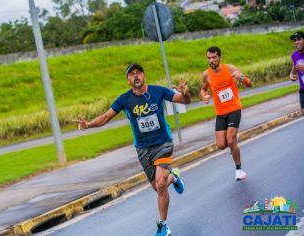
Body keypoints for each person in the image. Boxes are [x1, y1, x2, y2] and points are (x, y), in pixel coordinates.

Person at [75, 63, 191, 236]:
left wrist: (186, 93)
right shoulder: (124, 99)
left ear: (144, 76)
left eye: (139, 73)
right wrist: (89, 124)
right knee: (158, 187)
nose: (136, 76)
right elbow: (107, 117)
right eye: (132, 74)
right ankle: (173, 177)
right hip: (143, 148)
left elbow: (185, 101)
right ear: (128, 80)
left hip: (163, 143)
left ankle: (162, 225)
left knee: (160, 185)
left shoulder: (158, 91)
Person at [200, 46, 252, 181]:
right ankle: (233, 137)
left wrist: (242, 78)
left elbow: (249, 84)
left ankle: (239, 169)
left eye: (214, 57)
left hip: (234, 109)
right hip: (220, 113)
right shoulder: (206, 75)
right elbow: (203, 89)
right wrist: (204, 96)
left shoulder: (229, 68)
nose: (211, 60)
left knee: (230, 140)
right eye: (209, 58)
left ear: (219, 58)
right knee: (221, 145)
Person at [289, 31, 304, 115]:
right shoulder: (294, 55)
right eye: (295, 40)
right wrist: (292, 75)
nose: (296, 42)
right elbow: (294, 70)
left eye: (299, 39)